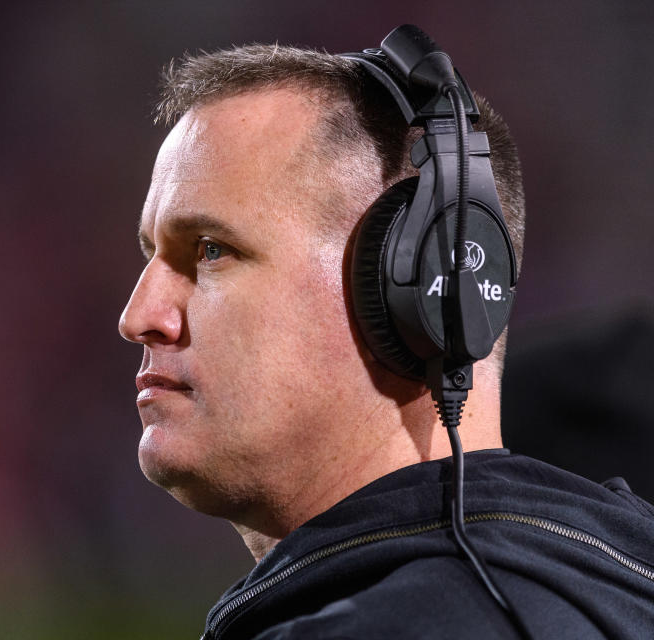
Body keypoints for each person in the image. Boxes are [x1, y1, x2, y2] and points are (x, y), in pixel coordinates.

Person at [118, 41, 654, 639]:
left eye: (212, 250)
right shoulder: (604, 584)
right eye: (152, 255)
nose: (140, 315)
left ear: (423, 288)